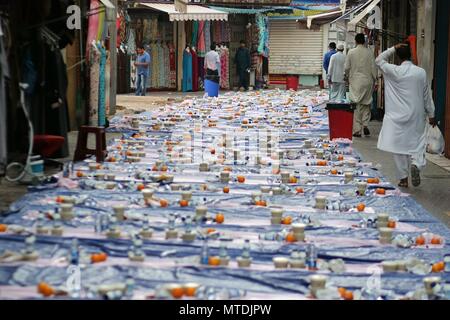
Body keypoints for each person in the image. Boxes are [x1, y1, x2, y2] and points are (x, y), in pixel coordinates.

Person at [375, 43, 436, 188]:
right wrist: (431, 113)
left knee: (399, 148)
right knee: (418, 143)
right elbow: (426, 95)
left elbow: (378, 60)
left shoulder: (392, 70)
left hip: (396, 117)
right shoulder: (420, 72)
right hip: (416, 115)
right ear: (410, 55)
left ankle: (403, 179)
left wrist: (393, 48)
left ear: (397, 57)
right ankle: (417, 164)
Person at [344, 34, 377, 137]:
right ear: (364, 41)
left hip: (355, 81)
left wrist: (346, 77)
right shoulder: (369, 52)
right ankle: (365, 124)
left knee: (356, 104)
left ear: (355, 41)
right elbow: (373, 68)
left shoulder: (351, 52)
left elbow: (346, 67)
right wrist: (375, 80)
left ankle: (357, 129)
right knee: (366, 103)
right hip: (367, 81)